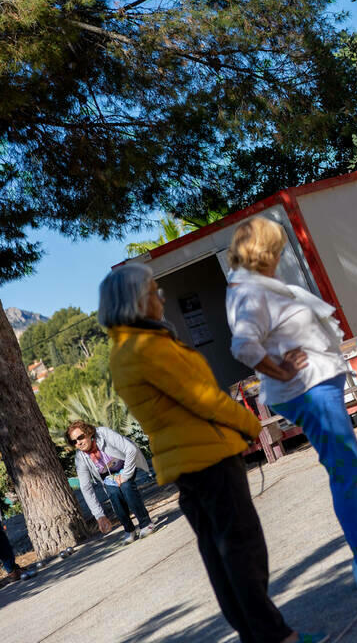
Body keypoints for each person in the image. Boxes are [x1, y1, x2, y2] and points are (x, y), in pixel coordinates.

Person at [100, 264, 321, 643]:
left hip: (189, 460)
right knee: (242, 551)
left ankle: (259, 635)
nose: (161, 298)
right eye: (155, 291)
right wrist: (251, 425)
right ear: (137, 300)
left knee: (223, 557)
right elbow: (202, 398)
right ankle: (274, 636)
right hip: (206, 458)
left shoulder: (125, 348)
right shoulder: (146, 346)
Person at [224, 217, 357, 589]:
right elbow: (244, 345)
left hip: (314, 386)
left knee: (347, 466)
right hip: (307, 390)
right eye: (276, 247)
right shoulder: (249, 291)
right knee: (345, 467)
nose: (279, 254)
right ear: (263, 249)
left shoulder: (258, 285)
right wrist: (280, 371)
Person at [66, 420, 156, 544]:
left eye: (80, 437)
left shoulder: (104, 434)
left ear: (89, 433)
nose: (79, 443)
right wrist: (99, 516)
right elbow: (86, 487)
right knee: (113, 493)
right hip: (108, 475)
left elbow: (131, 450)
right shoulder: (80, 457)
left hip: (126, 464)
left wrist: (125, 476)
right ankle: (129, 530)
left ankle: (146, 523)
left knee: (126, 487)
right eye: (74, 441)